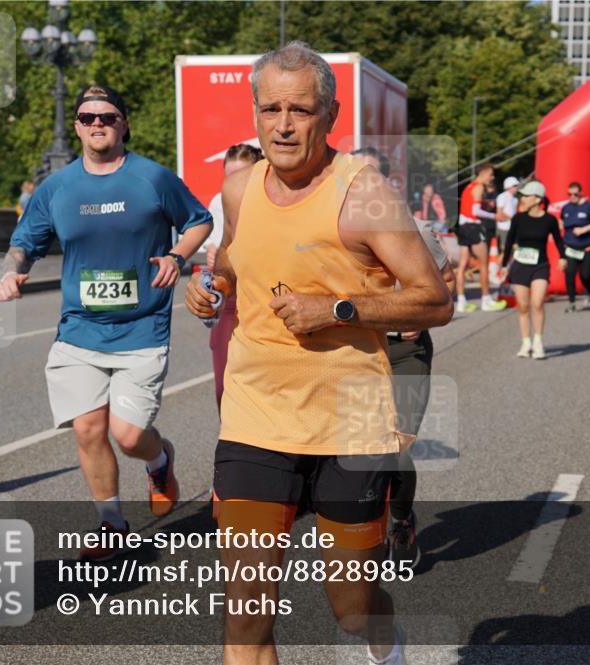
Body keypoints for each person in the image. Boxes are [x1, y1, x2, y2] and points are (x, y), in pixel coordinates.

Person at [185, 42, 453, 665]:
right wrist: (213, 283)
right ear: (254, 112)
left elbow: (433, 301)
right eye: (271, 108)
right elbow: (232, 256)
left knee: (352, 606)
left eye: (300, 110)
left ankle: (388, 651)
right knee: (246, 608)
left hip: (351, 420)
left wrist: (337, 309)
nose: (283, 124)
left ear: (329, 116)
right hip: (256, 416)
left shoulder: (364, 195)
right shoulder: (237, 189)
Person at [0, 85, 212, 559]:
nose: (98, 123)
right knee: (89, 429)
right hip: (78, 329)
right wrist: (12, 272)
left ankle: (159, 458)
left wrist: (177, 254)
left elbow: (199, 220)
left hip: (142, 327)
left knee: (128, 435)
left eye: (108, 116)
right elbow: (24, 241)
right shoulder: (57, 188)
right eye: (88, 116)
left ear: (124, 123)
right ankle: (111, 524)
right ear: (76, 126)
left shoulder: (153, 178)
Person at [353, 146, 455, 568]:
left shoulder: (415, 230)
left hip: (404, 352)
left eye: (370, 176)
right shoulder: (333, 233)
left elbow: (445, 285)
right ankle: (363, 528)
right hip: (355, 350)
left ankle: (399, 520)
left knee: (396, 447)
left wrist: (423, 316)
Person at [207, 143, 264, 412]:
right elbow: (215, 247)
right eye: (230, 176)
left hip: (269, 297)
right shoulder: (220, 201)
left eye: (244, 175)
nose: (236, 183)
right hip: (233, 299)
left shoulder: (276, 197)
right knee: (225, 390)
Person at [500, 181, 565, 358]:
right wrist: (504, 264)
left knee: (537, 303)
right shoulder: (518, 218)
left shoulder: (550, 220)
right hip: (520, 266)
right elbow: (509, 242)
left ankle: (538, 341)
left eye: (526, 196)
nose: (522, 199)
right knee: (523, 306)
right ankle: (525, 342)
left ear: (537, 199)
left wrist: (563, 257)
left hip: (540, 266)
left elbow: (559, 240)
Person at [455, 164, 507, 313]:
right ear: (483, 174)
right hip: (473, 227)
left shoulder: (469, 187)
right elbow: (475, 210)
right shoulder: (478, 187)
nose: (492, 177)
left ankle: (461, 301)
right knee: (483, 264)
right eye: (491, 174)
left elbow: (469, 208)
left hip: (464, 227)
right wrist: (495, 216)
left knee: (463, 265)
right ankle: (486, 300)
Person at [559, 181, 590, 312]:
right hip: (571, 247)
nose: (572, 196)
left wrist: (584, 229)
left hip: (588, 247)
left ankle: (589, 292)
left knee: (585, 275)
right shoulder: (566, 208)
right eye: (569, 194)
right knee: (569, 274)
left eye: (575, 194)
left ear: (580, 193)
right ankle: (571, 303)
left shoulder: (589, 207)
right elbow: (561, 222)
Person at [495, 176, 520, 250]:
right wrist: (513, 218)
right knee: (504, 249)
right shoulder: (502, 196)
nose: (516, 188)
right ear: (509, 186)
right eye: (515, 186)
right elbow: (500, 212)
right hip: (504, 228)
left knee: (514, 249)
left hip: (512, 227)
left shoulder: (515, 198)